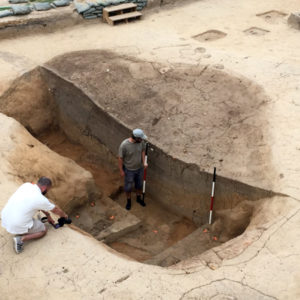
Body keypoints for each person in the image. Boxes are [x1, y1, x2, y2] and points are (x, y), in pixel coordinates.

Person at [1, 176, 68, 254]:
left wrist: (48, 215)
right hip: (15, 224)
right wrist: (64, 216)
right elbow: (55, 209)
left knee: (26, 210)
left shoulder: (27, 185)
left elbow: (38, 204)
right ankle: (21, 239)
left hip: (5, 216)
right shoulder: (40, 199)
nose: (47, 192)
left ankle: (32, 225)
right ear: (44, 188)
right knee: (43, 230)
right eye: (47, 190)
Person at [118, 128, 148, 210]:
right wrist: (121, 170)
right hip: (129, 170)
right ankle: (129, 201)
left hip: (139, 169)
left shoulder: (141, 142)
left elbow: (142, 151)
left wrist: (144, 162)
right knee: (128, 187)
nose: (142, 139)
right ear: (136, 138)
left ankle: (138, 198)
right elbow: (120, 158)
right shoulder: (124, 145)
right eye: (140, 138)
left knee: (139, 185)